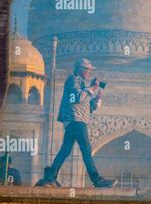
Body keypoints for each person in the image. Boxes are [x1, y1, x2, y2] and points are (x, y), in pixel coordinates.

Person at [36, 58, 116, 188]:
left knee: (66, 149)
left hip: (78, 120)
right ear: (80, 69)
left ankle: (50, 176)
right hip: (75, 120)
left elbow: (89, 107)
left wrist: (97, 97)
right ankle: (97, 180)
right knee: (86, 149)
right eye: (88, 70)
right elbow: (76, 98)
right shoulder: (72, 80)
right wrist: (92, 87)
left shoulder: (81, 84)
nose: (89, 73)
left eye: (90, 71)